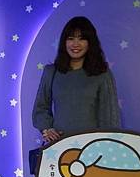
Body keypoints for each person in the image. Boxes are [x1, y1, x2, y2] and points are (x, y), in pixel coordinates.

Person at [32, 16, 121, 144]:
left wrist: (107, 145)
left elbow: (110, 118)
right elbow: (40, 108)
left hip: (92, 148)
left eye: (81, 39)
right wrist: (47, 128)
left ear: (90, 43)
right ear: (64, 42)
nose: (75, 44)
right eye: (71, 38)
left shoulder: (102, 73)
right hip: (59, 146)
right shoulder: (51, 72)